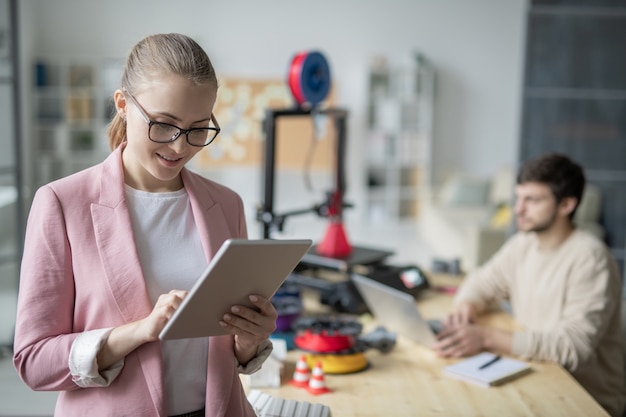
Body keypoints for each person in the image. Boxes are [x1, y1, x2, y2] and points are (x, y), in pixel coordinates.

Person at [13, 33, 277, 417]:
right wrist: (140, 330)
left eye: (198, 129)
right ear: (123, 104)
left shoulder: (226, 206)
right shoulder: (61, 203)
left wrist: (249, 339)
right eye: (164, 125)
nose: (179, 147)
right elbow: (33, 361)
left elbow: (227, 354)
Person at [434, 153, 625, 417]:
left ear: (566, 204)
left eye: (532, 200)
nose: (518, 209)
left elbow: (572, 348)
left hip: (584, 399)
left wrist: (486, 336)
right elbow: (480, 281)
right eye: (519, 198)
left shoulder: (590, 258)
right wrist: (468, 304)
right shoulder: (524, 244)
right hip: (536, 374)